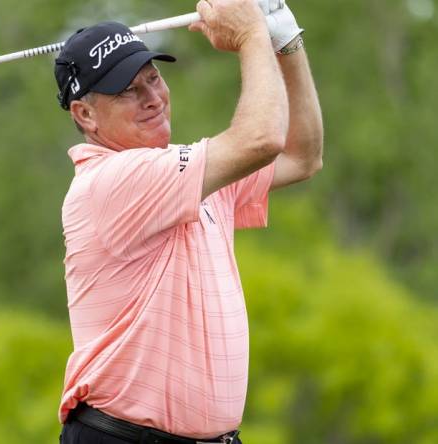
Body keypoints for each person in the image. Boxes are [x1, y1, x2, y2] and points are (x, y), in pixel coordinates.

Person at [54, 0, 323, 443]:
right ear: (85, 114)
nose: (153, 98)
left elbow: (301, 155)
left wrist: (285, 41)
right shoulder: (110, 181)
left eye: (153, 78)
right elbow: (260, 139)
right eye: (126, 90)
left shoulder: (187, 175)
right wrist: (252, 36)